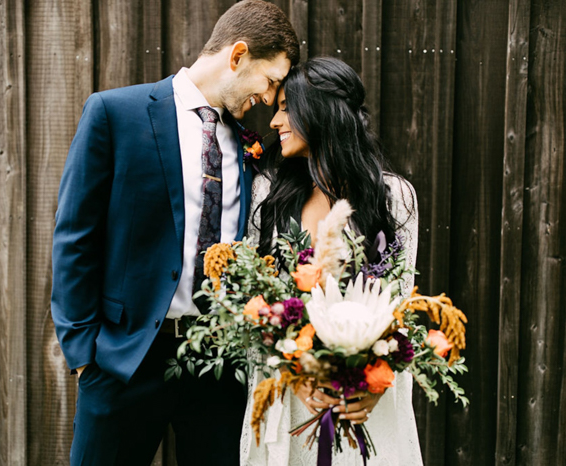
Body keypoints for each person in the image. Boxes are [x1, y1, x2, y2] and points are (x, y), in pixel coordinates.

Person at [51, 2, 299, 465]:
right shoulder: (114, 113)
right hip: (124, 360)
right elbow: (74, 237)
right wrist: (84, 353)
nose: (269, 99)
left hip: (218, 368)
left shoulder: (250, 144)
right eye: (269, 81)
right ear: (238, 55)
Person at [241, 57, 423, 465]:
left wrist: (373, 388)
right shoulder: (268, 194)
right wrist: (295, 374)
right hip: (289, 400)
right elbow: (256, 304)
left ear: (321, 112)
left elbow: (401, 309)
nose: (274, 121)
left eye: (287, 107)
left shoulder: (394, 198)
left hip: (361, 402)